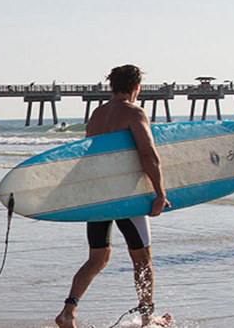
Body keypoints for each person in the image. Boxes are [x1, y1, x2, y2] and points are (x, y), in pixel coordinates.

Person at [55, 65, 172, 328]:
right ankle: (146, 317)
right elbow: (148, 154)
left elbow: (88, 156)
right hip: (124, 196)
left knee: (98, 257)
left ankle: (68, 312)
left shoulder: (97, 115)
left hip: (98, 195)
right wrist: (160, 192)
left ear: (111, 86)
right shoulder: (134, 112)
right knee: (142, 259)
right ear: (136, 87)